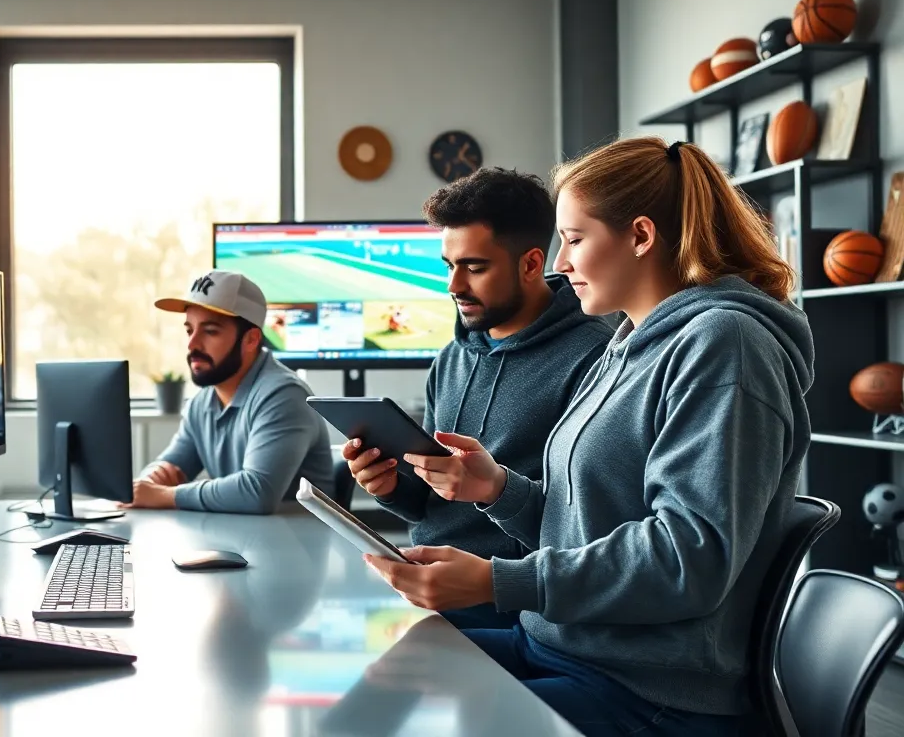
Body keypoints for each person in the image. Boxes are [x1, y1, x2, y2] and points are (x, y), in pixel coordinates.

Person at [361, 137, 811, 736]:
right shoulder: (628, 343)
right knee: (376, 683)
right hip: (559, 644)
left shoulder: (724, 346)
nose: (560, 262)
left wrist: (499, 580)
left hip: (645, 688)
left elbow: (689, 558)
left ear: (641, 236)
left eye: (573, 240)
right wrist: (497, 488)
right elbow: (586, 520)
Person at [345, 167, 612, 630]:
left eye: (474, 267)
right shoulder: (451, 358)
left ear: (531, 264)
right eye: (449, 265)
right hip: (425, 590)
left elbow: (583, 522)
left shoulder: (593, 358)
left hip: (509, 605)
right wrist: (388, 487)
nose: (454, 286)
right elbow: (426, 499)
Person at [124, 270, 334, 514]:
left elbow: (257, 493)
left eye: (210, 331)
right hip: (242, 535)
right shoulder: (202, 403)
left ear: (251, 340)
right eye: (189, 330)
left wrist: (163, 495)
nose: (192, 344)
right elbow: (171, 466)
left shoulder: (285, 396)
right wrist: (151, 480)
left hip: (302, 538)